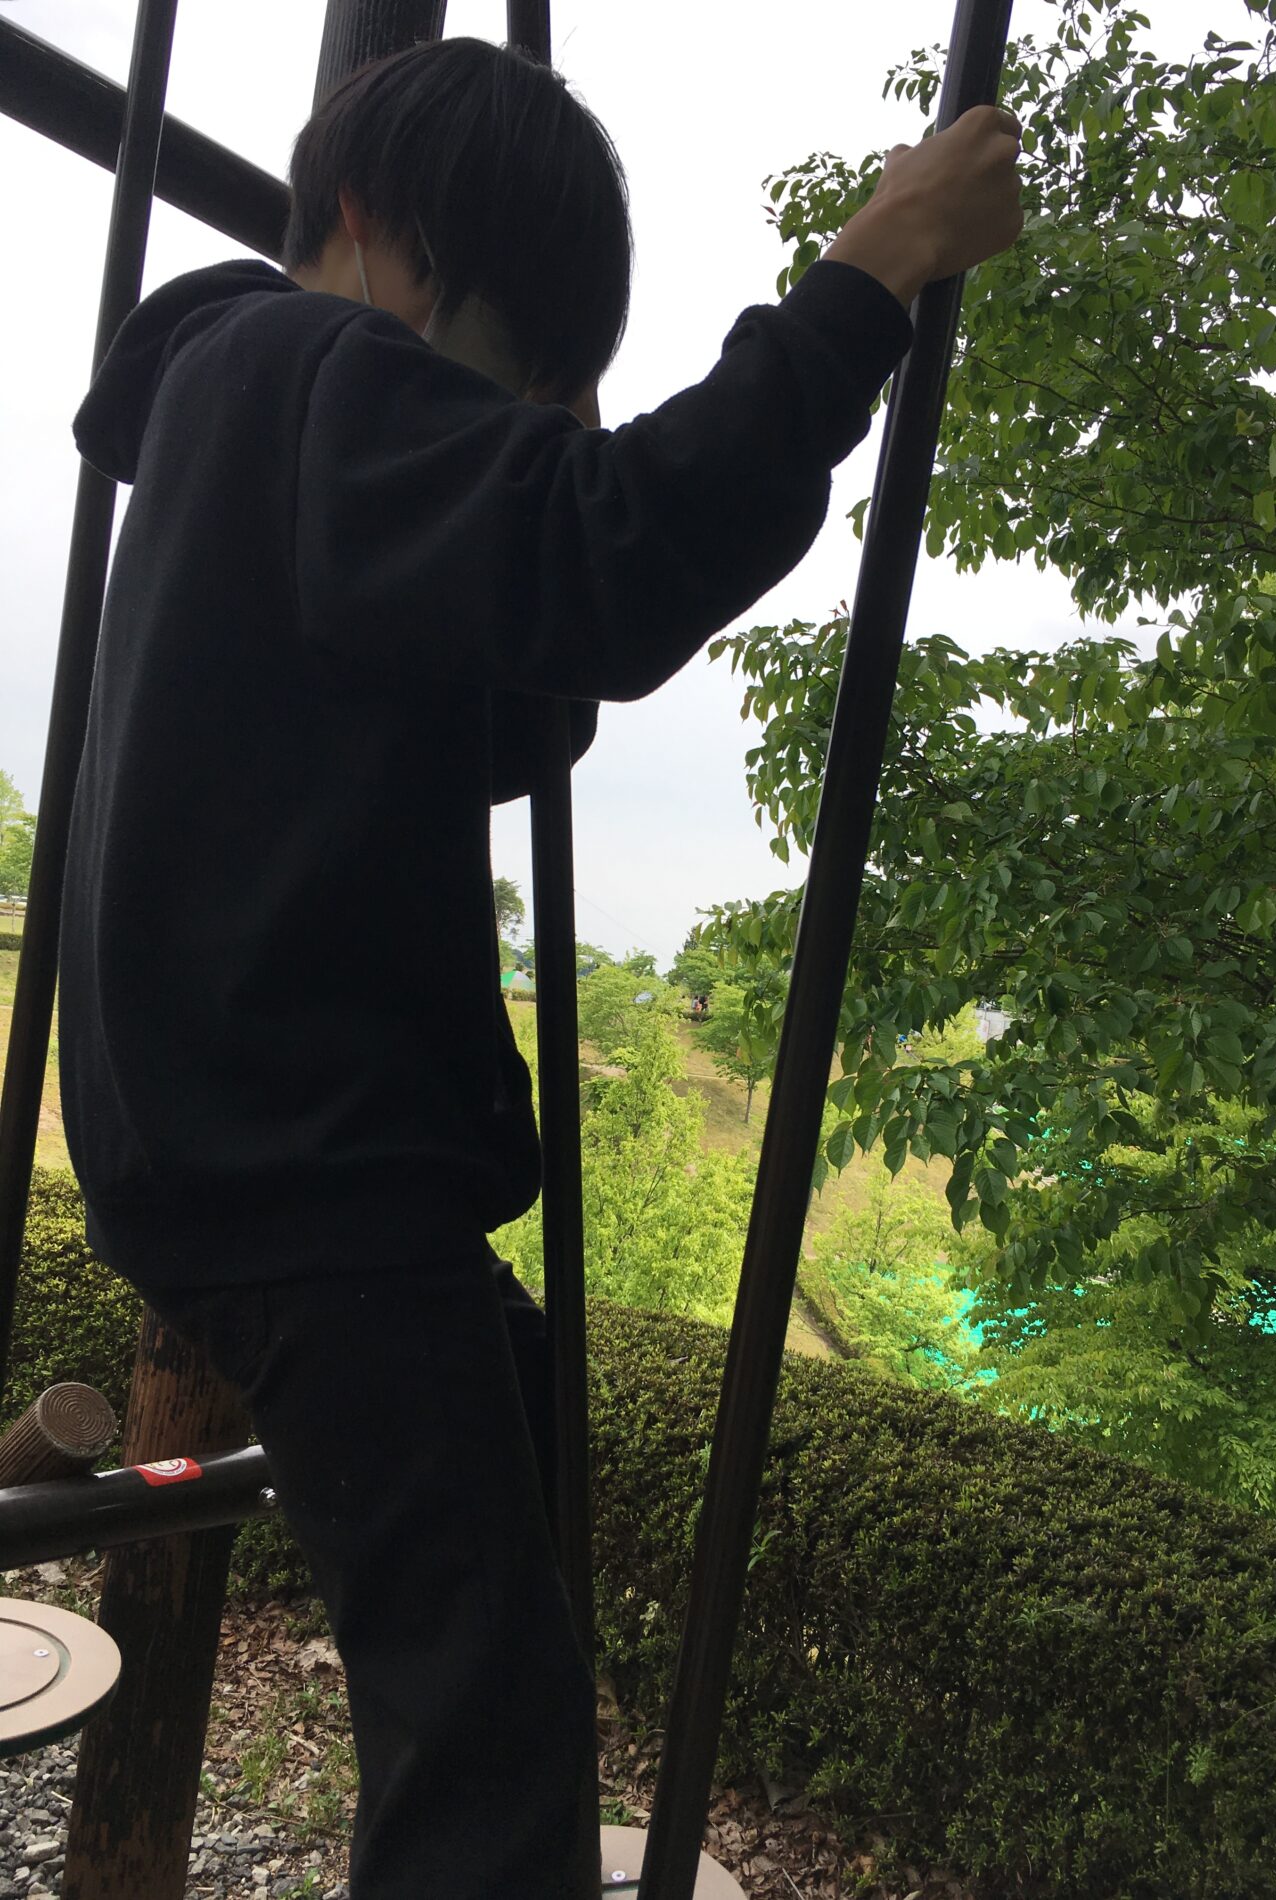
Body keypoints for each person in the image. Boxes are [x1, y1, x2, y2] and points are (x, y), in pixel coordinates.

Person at [57, 35, 1022, 1899]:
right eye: (498, 340)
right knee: (489, 1737)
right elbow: (608, 562)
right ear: (366, 219)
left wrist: (544, 484)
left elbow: (511, 695)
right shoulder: (305, 359)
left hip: (247, 1162)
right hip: (316, 1178)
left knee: (512, 1477)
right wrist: (870, 274)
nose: (492, 402)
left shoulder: (231, 432)